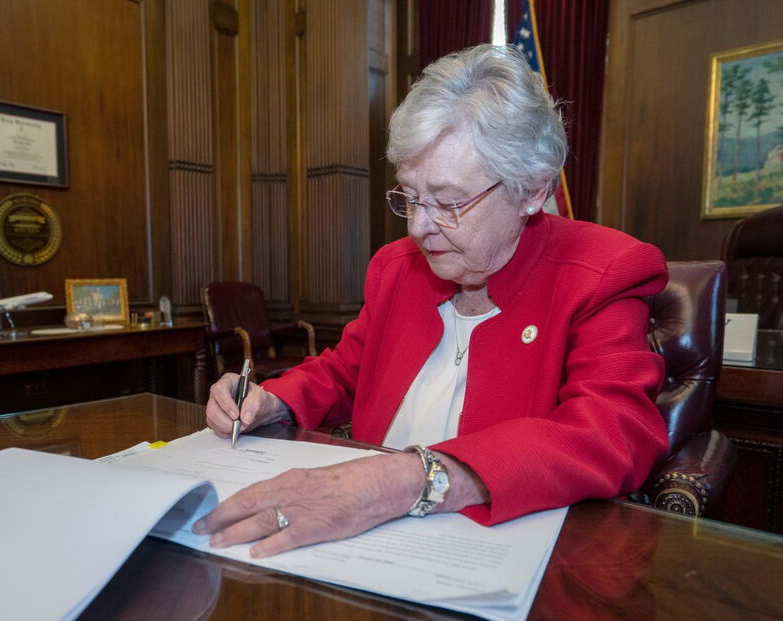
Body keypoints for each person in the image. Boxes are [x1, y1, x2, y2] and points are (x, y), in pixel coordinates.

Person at [193, 44, 669, 559]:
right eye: (410, 196)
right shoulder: (397, 267)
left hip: (504, 555)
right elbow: (346, 371)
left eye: (447, 201)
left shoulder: (603, 272)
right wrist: (272, 400)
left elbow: (613, 435)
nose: (420, 227)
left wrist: (406, 478)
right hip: (366, 546)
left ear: (531, 190)